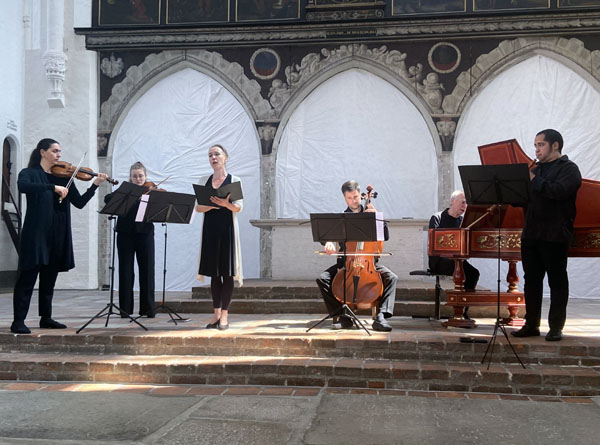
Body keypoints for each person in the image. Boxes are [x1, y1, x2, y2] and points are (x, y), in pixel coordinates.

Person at [10, 138, 107, 334]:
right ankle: (18, 321)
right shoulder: (29, 174)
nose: (59, 155)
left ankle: (46, 318)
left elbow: (79, 203)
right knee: (27, 279)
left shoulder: (64, 178)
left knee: (49, 279)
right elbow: (23, 187)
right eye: (55, 151)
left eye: (59, 151)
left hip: (58, 233)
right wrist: (51, 188)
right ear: (42, 152)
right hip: (36, 233)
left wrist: (95, 185)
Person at [511, 129, 582, 342]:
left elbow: (558, 192)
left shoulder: (569, 169)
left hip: (555, 234)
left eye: (540, 145)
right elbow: (525, 199)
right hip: (531, 233)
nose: (536, 150)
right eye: (535, 145)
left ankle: (556, 327)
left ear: (555, 145)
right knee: (531, 281)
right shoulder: (537, 169)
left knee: (557, 281)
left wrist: (532, 180)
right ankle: (531, 324)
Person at [316, 180, 397, 332]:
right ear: (344, 198)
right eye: (349, 198)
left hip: (369, 262)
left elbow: (385, 236)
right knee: (322, 279)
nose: (353, 201)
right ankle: (343, 316)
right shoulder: (342, 217)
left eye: (356, 197)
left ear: (361, 195)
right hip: (346, 264)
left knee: (392, 278)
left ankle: (381, 316)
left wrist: (378, 220)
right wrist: (329, 243)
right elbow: (327, 236)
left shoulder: (371, 213)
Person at [195, 144, 243, 330]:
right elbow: (198, 208)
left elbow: (238, 207)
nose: (213, 158)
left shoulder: (234, 180)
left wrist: (224, 203)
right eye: (210, 155)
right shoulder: (203, 180)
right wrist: (212, 206)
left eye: (217, 154)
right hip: (210, 230)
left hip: (228, 229)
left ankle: (225, 315)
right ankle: (215, 314)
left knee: (227, 272)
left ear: (225, 158)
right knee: (214, 274)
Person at [104, 161, 155, 318]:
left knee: (147, 270)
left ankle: (148, 308)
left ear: (145, 176)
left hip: (145, 233)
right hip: (125, 234)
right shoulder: (125, 190)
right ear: (130, 178)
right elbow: (108, 199)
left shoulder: (151, 191)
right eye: (135, 176)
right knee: (126, 271)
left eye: (140, 176)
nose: (138, 179)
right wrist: (126, 193)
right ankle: (125, 309)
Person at [428, 190, 480, 319]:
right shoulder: (437, 218)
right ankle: (458, 311)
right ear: (452, 201)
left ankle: (463, 311)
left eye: (466, 203)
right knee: (461, 270)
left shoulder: (464, 221)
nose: (465, 206)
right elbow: (434, 242)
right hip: (439, 261)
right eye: (462, 202)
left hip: (458, 260)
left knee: (473, 273)